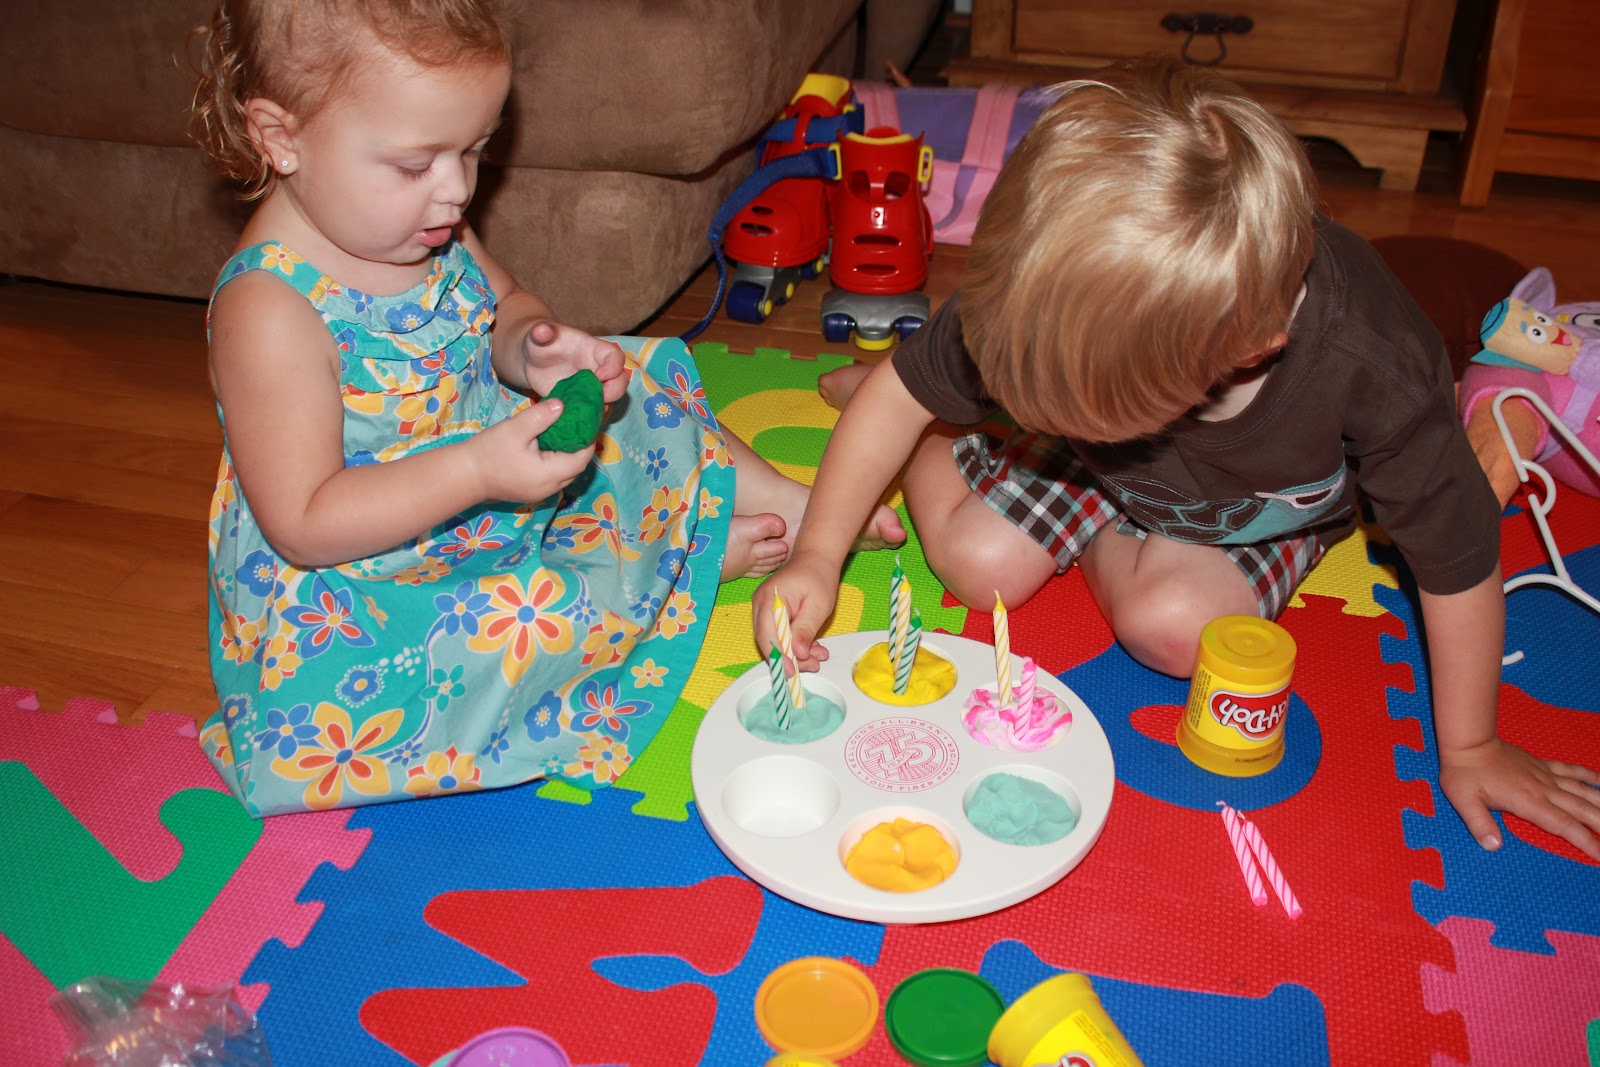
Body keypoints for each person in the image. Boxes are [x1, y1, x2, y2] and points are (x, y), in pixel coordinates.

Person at [754, 57, 1600, 859]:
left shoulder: (1370, 362)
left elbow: (1457, 558)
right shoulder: (1057, 297)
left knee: (1177, 631)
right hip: (1090, 457)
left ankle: (1000, 436)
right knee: (979, 563)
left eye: (1077, 397)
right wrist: (819, 553)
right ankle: (947, 417)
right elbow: (923, 402)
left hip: (1256, 508)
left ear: (1254, 349)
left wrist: (1474, 742)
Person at [187, 0, 901, 816]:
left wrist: (534, 348)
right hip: (370, 593)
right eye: (417, 164)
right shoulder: (268, 310)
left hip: (490, 483)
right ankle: (692, 559)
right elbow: (305, 522)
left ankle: (785, 500)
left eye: (475, 150)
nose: (456, 189)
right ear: (280, 137)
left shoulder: (422, 227)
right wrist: (477, 469)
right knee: (539, 624)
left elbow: (503, 308)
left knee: (628, 377)